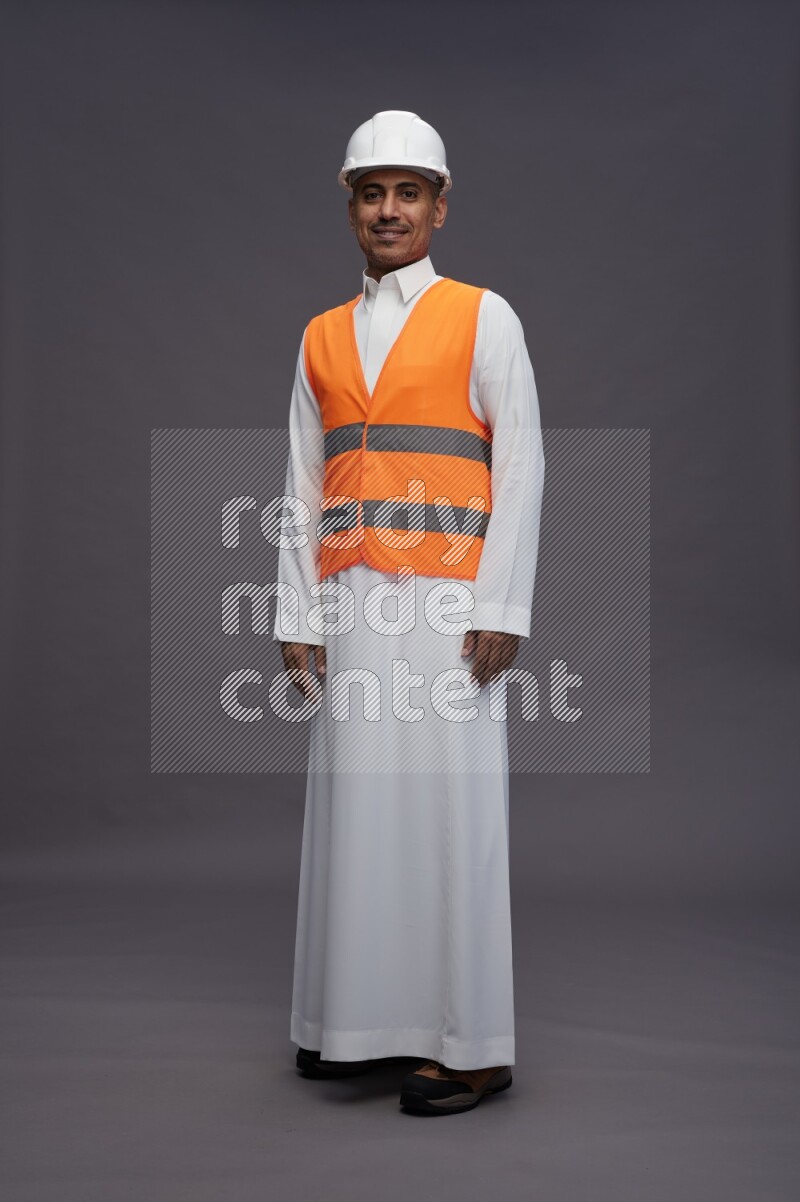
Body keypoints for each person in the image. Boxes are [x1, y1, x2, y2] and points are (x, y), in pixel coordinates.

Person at [272, 110, 545, 1115]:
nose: (388, 209)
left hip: (449, 606)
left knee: (449, 810)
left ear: (438, 207)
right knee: (357, 809)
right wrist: (296, 612)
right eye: (371, 192)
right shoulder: (319, 335)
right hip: (350, 600)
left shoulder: (483, 316)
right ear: (351, 206)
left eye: (407, 192)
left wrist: (503, 603)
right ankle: (350, 1025)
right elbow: (302, 484)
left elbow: (521, 465)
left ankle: (472, 1047)